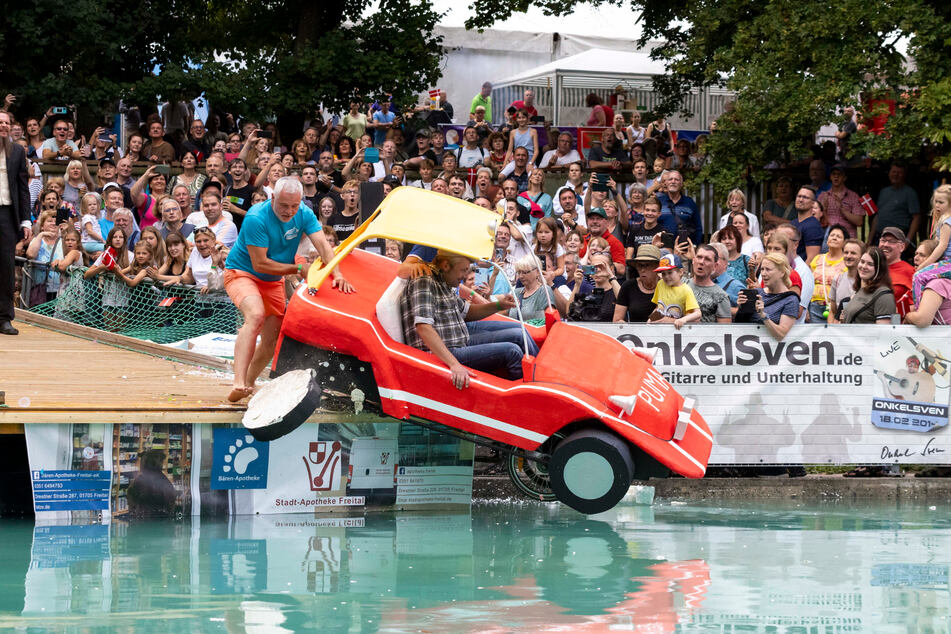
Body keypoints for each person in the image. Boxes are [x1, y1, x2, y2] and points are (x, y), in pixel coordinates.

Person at [224, 177, 351, 401]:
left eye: (294, 205)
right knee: (255, 315)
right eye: (284, 205)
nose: (289, 211)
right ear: (273, 197)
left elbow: (324, 245)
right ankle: (238, 381)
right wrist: (298, 267)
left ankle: (249, 384)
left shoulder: (304, 213)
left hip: (273, 280)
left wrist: (338, 274)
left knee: (273, 336)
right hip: (242, 272)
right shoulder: (256, 217)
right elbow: (260, 263)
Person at [401, 251, 533, 389]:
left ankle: (542, 378)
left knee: (519, 333)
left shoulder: (443, 279)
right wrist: (454, 364)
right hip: (445, 351)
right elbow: (423, 327)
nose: (465, 276)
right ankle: (530, 395)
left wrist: (499, 305)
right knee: (512, 351)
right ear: (446, 265)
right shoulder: (424, 280)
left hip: (459, 337)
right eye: (463, 270)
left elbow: (466, 311)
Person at [736, 253, 799, 341]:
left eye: (768, 269)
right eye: (762, 269)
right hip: (747, 346)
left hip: (772, 352)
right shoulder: (757, 292)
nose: (763, 274)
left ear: (782, 273)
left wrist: (763, 316)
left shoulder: (791, 299)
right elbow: (739, 326)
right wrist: (741, 307)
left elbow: (781, 335)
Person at [912, 185, 951, 306]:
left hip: (948, 263)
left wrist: (924, 264)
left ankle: (919, 309)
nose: (937, 205)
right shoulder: (944, 220)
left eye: (941, 202)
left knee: (918, 276)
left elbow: (942, 246)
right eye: (935, 201)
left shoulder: (946, 222)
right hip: (946, 262)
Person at [840, 246, 897, 324]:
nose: (863, 266)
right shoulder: (861, 290)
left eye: (870, 264)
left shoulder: (884, 295)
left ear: (879, 269)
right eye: (862, 262)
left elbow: (884, 332)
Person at [870, 163, 920, 244]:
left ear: (904, 175)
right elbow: (877, 216)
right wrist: (869, 240)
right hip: (880, 237)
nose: (896, 175)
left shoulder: (910, 193)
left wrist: (907, 240)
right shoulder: (884, 192)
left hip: (898, 239)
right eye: (893, 172)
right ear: (889, 173)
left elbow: (916, 218)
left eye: (899, 172)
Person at [808, 224, 849, 322]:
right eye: (832, 235)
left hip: (835, 309)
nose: (834, 238)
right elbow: (808, 284)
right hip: (814, 307)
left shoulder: (847, 262)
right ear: (827, 239)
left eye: (838, 236)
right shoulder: (818, 259)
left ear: (844, 242)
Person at [648, 253, 700, 329]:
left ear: (680, 272)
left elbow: (698, 313)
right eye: (663, 273)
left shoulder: (686, 290)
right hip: (660, 330)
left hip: (678, 330)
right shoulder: (660, 284)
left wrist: (683, 319)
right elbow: (658, 308)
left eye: (670, 272)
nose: (666, 276)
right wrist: (650, 320)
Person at [566, 253, 620, 322]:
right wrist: (577, 284)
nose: (598, 270)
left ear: (611, 268)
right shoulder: (587, 294)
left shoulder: (616, 290)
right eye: (594, 267)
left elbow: (624, 302)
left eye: (602, 267)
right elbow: (568, 312)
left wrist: (611, 276)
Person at [656, 170, 703, 246]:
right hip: (662, 247)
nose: (673, 182)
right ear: (666, 183)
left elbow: (698, 227)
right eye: (670, 179)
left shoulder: (689, 203)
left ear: (681, 184)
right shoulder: (659, 202)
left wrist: (695, 245)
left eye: (676, 179)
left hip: (685, 248)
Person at [615, 244, 660, 322]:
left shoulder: (666, 286)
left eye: (647, 265)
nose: (642, 270)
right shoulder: (628, 286)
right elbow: (617, 320)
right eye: (639, 266)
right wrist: (622, 324)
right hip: (634, 332)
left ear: (657, 267)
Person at [688, 245, 732, 323]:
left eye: (707, 259)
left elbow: (725, 331)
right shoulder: (681, 284)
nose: (701, 262)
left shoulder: (721, 296)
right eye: (699, 257)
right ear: (693, 260)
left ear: (715, 266)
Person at [878, 226, 914, 318]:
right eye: (883, 240)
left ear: (902, 247)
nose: (885, 244)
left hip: (895, 326)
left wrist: (892, 314)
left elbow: (916, 306)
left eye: (891, 241)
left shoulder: (910, 272)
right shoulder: (870, 267)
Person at [818, 165, 863, 238]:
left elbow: (859, 222)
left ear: (844, 178)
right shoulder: (823, 196)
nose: (836, 176)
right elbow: (816, 220)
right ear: (830, 177)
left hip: (848, 237)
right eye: (834, 174)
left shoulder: (853, 196)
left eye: (839, 174)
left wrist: (843, 210)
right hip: (828, 236)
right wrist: (824, 209)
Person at [510, 255, 558, 322]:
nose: (520, 276)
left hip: (534, 331)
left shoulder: (544, 291)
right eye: (519, 272)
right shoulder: (516, 292)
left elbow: (548, 320)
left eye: (525, 272)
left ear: (537, 272)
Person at [828, 238, 865, 323]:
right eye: (846, 252)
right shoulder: (837, 279)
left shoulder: (866, 282)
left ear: (862, 256)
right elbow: (833, 312)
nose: (848, 256)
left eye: (853, 253)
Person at [790, 186, 823, 262]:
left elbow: (812, 259)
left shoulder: (813, 226)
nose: (801, 200)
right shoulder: (793, 222)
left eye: (805, 197)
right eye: (799, 196)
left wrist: (800, 274)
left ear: (813, 203)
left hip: (800, 272)